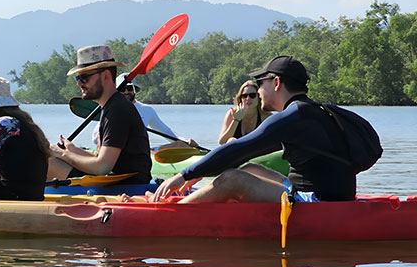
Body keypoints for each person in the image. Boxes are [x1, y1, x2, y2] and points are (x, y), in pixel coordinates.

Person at [152, 56, 358, 203]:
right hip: (323, 193)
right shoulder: (313, 111)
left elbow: (240, 148)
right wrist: (203, 171)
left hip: (314, 201)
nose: (258, 91)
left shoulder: (292, 117)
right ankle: (201, 199)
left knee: (233, 179)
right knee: (250, 168)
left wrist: (183, 175)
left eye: (260, 83)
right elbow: (242, 154)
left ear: (276, 83)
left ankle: (172, 211)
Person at [48, 45, 151, 185]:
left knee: (48, 162)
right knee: (50, 157)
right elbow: (101, 160)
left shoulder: (117, 109)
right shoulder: (111, 106)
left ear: (106, 76)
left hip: (125, 187)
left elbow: (102, 167)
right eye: (77, 78)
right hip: (115, 181)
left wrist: (62, 154)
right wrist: (73, 150)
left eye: (84, 77)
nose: (79, 83)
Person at [100, 73, 198, 149]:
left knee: (179, 145)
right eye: (122, 88)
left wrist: (186, 142)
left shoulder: (147, 110)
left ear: (135, 90)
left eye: (129, 88)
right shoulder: (111, 109)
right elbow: (96, 138)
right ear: (116, 90)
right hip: (115, 152)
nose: (126, 92)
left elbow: (166, 132)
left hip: (142, 152)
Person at [217, 80, 273, 145]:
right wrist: (236, 120)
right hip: (236, 153)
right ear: (240, 98)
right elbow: (221, 142)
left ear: (259, 97)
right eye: (244, 96)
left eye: (252, 95)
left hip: (257, 152)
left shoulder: (266, 117)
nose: (248, 98)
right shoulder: (232, 114)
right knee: (231, 140)